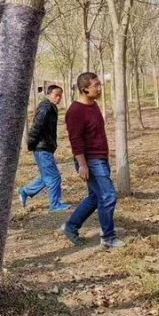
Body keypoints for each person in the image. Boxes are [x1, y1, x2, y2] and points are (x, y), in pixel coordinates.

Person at [61, 72, 124, 250]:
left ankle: (71, 226)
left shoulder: (94, 105)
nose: (99, 88)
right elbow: (76, 140)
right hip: (90, 161)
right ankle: (108, 238)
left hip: (100, 158)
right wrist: (82, 164)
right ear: (84, 89)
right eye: (95, 85)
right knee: (108, 195)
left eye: (99, 84)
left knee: (95, 197)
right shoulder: (75, 111)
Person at [19, 85, 71, 212]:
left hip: (45, 147)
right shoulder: (45, 107)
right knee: (54, 177)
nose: (59, 98)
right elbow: (36, 127)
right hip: (42, 148)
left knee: (46, 177)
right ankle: (55, 205)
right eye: (56, 95)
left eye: (60, 95)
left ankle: (25, 191)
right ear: (48, 94)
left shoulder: (50, 107)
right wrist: (31, 143)